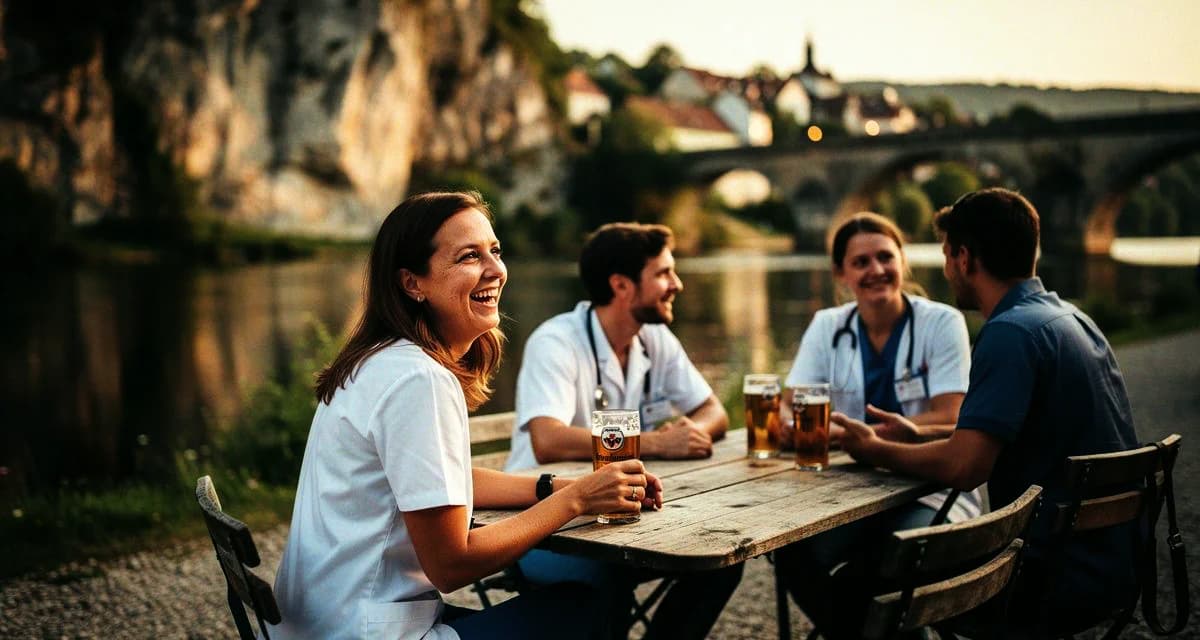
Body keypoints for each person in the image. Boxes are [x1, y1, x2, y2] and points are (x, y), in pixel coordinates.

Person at [270, 192, 664, 640]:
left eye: (494, 250)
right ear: (412, 283)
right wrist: (576, 502)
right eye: (469, 256)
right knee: (587, 605)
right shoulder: (418, 379)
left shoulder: (379, 361)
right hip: (361, 632)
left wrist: (564, 486)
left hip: (321, 622)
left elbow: (437, 483)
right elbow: (451, 564)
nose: (496, 270)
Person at [834, 188, 1140, 634]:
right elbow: (998, 437)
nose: (946, 268)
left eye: (945, 255)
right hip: (1112, 560)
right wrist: (916, 435)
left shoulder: (1009, 334)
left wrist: (875, 449)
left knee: (860, 582)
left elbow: (965, 468)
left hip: (1046, 577)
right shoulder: (1070, 318)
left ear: (964, 258)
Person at [504, 222, 741, 640]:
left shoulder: (654, 338)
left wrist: (693, 431)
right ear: (622, 286)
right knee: (613, 571)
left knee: (721, 564)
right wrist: (659, 444)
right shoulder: (557, 341)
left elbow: (713, 411)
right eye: (664, 273)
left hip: (621, 516)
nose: (677, 284)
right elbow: (547, 438)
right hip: (544, 527)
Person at [774, 212, 983, 631]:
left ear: (902, 260)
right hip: (847, 493)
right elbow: (790, 408)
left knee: (893, 563)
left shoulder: (941, 323)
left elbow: (951, 414)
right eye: (861, 262)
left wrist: (867, 438)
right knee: (792, 555)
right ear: (841, 273)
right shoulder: (827, 326)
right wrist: (812, 428)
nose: (876, 271)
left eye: (885, 257)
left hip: (929, 489)